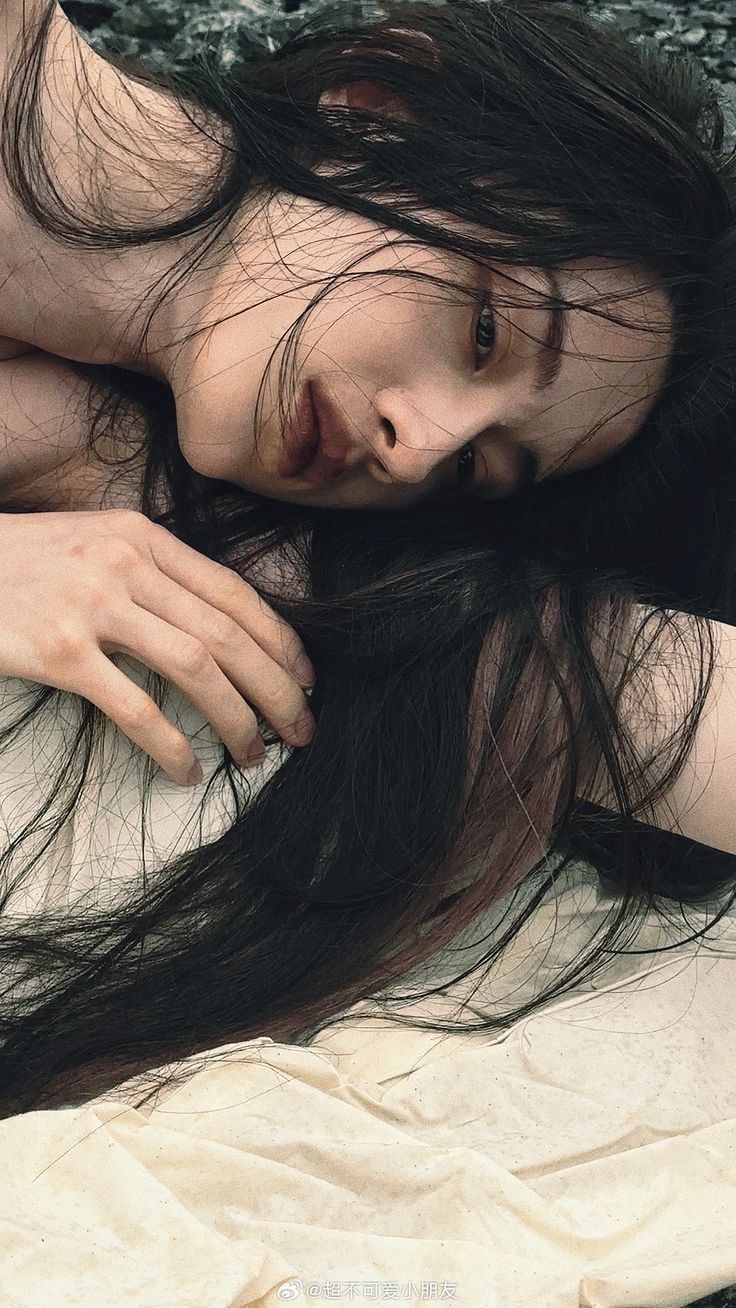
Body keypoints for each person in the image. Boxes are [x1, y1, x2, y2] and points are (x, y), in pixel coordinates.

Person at [0, 0, 733, 1116]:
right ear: (378, 106)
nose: (423, 445)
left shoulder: (128, 436)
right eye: (485, 330)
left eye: (481, 469)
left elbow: (611, 685)